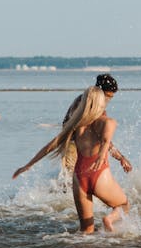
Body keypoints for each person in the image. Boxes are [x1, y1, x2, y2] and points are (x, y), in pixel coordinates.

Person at [13, 86, 130, 233]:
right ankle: (109, 220)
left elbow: (51, 146)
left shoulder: (75, 125)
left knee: (86, 230)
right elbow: (107, 139)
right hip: (99, 174)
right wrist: (103, 155)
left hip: (79, 178)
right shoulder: (106, 121)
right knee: (124, 206)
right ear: (100, 102)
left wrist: (28, 165)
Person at [61, 74, 130, 175]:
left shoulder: (83, 100)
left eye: (110, 98)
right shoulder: (87, 105)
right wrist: (120, 158)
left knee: (76, 180)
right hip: (72, 146)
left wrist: (120, 157)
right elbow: (105, 140)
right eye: (107, 97)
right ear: (100, 92)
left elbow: (104, 140)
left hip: (79, 147)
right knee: (72, 180)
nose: (107, 101)